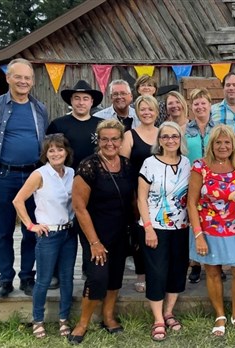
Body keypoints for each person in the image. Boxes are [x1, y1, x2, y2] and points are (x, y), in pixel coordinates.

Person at [0, 58, 49, 298]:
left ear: (32, 82)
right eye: (18, 77)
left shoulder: (39, 108)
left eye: (27, 78)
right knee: (3, 231)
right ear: (8, 78)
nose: (23, 82)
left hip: (33, 176)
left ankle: (27, 277)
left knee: (31, 229)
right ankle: (5, 280)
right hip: (4, 176)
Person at [68, 119, 133, 344]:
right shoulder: (88, 165)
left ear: (121, 140)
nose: (110, 143)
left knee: (115, 276)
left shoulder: (126, 165)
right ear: (98, 140)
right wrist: (94, 242)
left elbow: (132, 199)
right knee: (97, 278)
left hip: (120, 230)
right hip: (95, 232)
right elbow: (79, 207)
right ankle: (83, 322)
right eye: (105, 139)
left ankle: (108, 316)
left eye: (115, 139)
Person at [187, 125, 235, 337]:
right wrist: (198, 235)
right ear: (211, 145)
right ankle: (219, 315)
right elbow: (191, 202)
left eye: (227, 142)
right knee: (213, 271)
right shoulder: (200, 167)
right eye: (218, 142)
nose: (223, 146)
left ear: (233, 144)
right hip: (208, 229)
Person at [12, 134, 77, 339]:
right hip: (49, 234)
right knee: (44, 279)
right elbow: (18, 201)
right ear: (45, 154)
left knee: (67, 279)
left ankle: (64, 318)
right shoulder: (39, 175)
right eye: (51, 150)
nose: (56, 153)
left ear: (66, 152)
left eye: (60, 149)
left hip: (69, 232)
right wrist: (31, 225)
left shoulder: (71, 173)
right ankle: (37, 319)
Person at [46, 80, 104, 287]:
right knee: (61, 229)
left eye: (85, 99)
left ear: (92, 102)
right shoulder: (59, 125)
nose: (81, 102)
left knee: (90, 227)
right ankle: (55, 272)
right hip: (64, 183)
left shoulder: (99, 125)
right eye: (77, 98)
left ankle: (90, 269)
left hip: (92, 184)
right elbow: (50, 153)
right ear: (71, 101)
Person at [137, 121, 191, 341]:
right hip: (155, 228)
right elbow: (141, 197)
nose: (170, 140)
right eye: (165, 136)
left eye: (174, 136)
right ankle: (158, 318)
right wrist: (148, 228)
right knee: (157, 272)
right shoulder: (150, 163)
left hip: (181, 227)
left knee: (177, 271)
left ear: (180, 140)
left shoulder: (187, 163)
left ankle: (169, 312)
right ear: (159, 140)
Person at [120, 95, 160, 293]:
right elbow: (123, 166)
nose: (147, 112)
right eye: (143, 109)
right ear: (137, 111)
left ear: (156, 112)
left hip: (162, 194)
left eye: (150, 109)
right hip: (138, 193)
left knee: (160, 232)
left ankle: (158, 271)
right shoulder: (129, 135)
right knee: (140, 233)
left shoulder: (164, 134)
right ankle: (141, 274)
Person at [184, 88, 216, 284]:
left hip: (215, 182)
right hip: (193, 180)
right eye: (196, 103)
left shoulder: (218, 128)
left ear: (210, 105)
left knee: (212, 221)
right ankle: (195, 264)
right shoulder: (185, 131)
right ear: (192, 107)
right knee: (193, 221)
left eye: (203, 103)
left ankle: (214, 263)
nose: (200, 106)